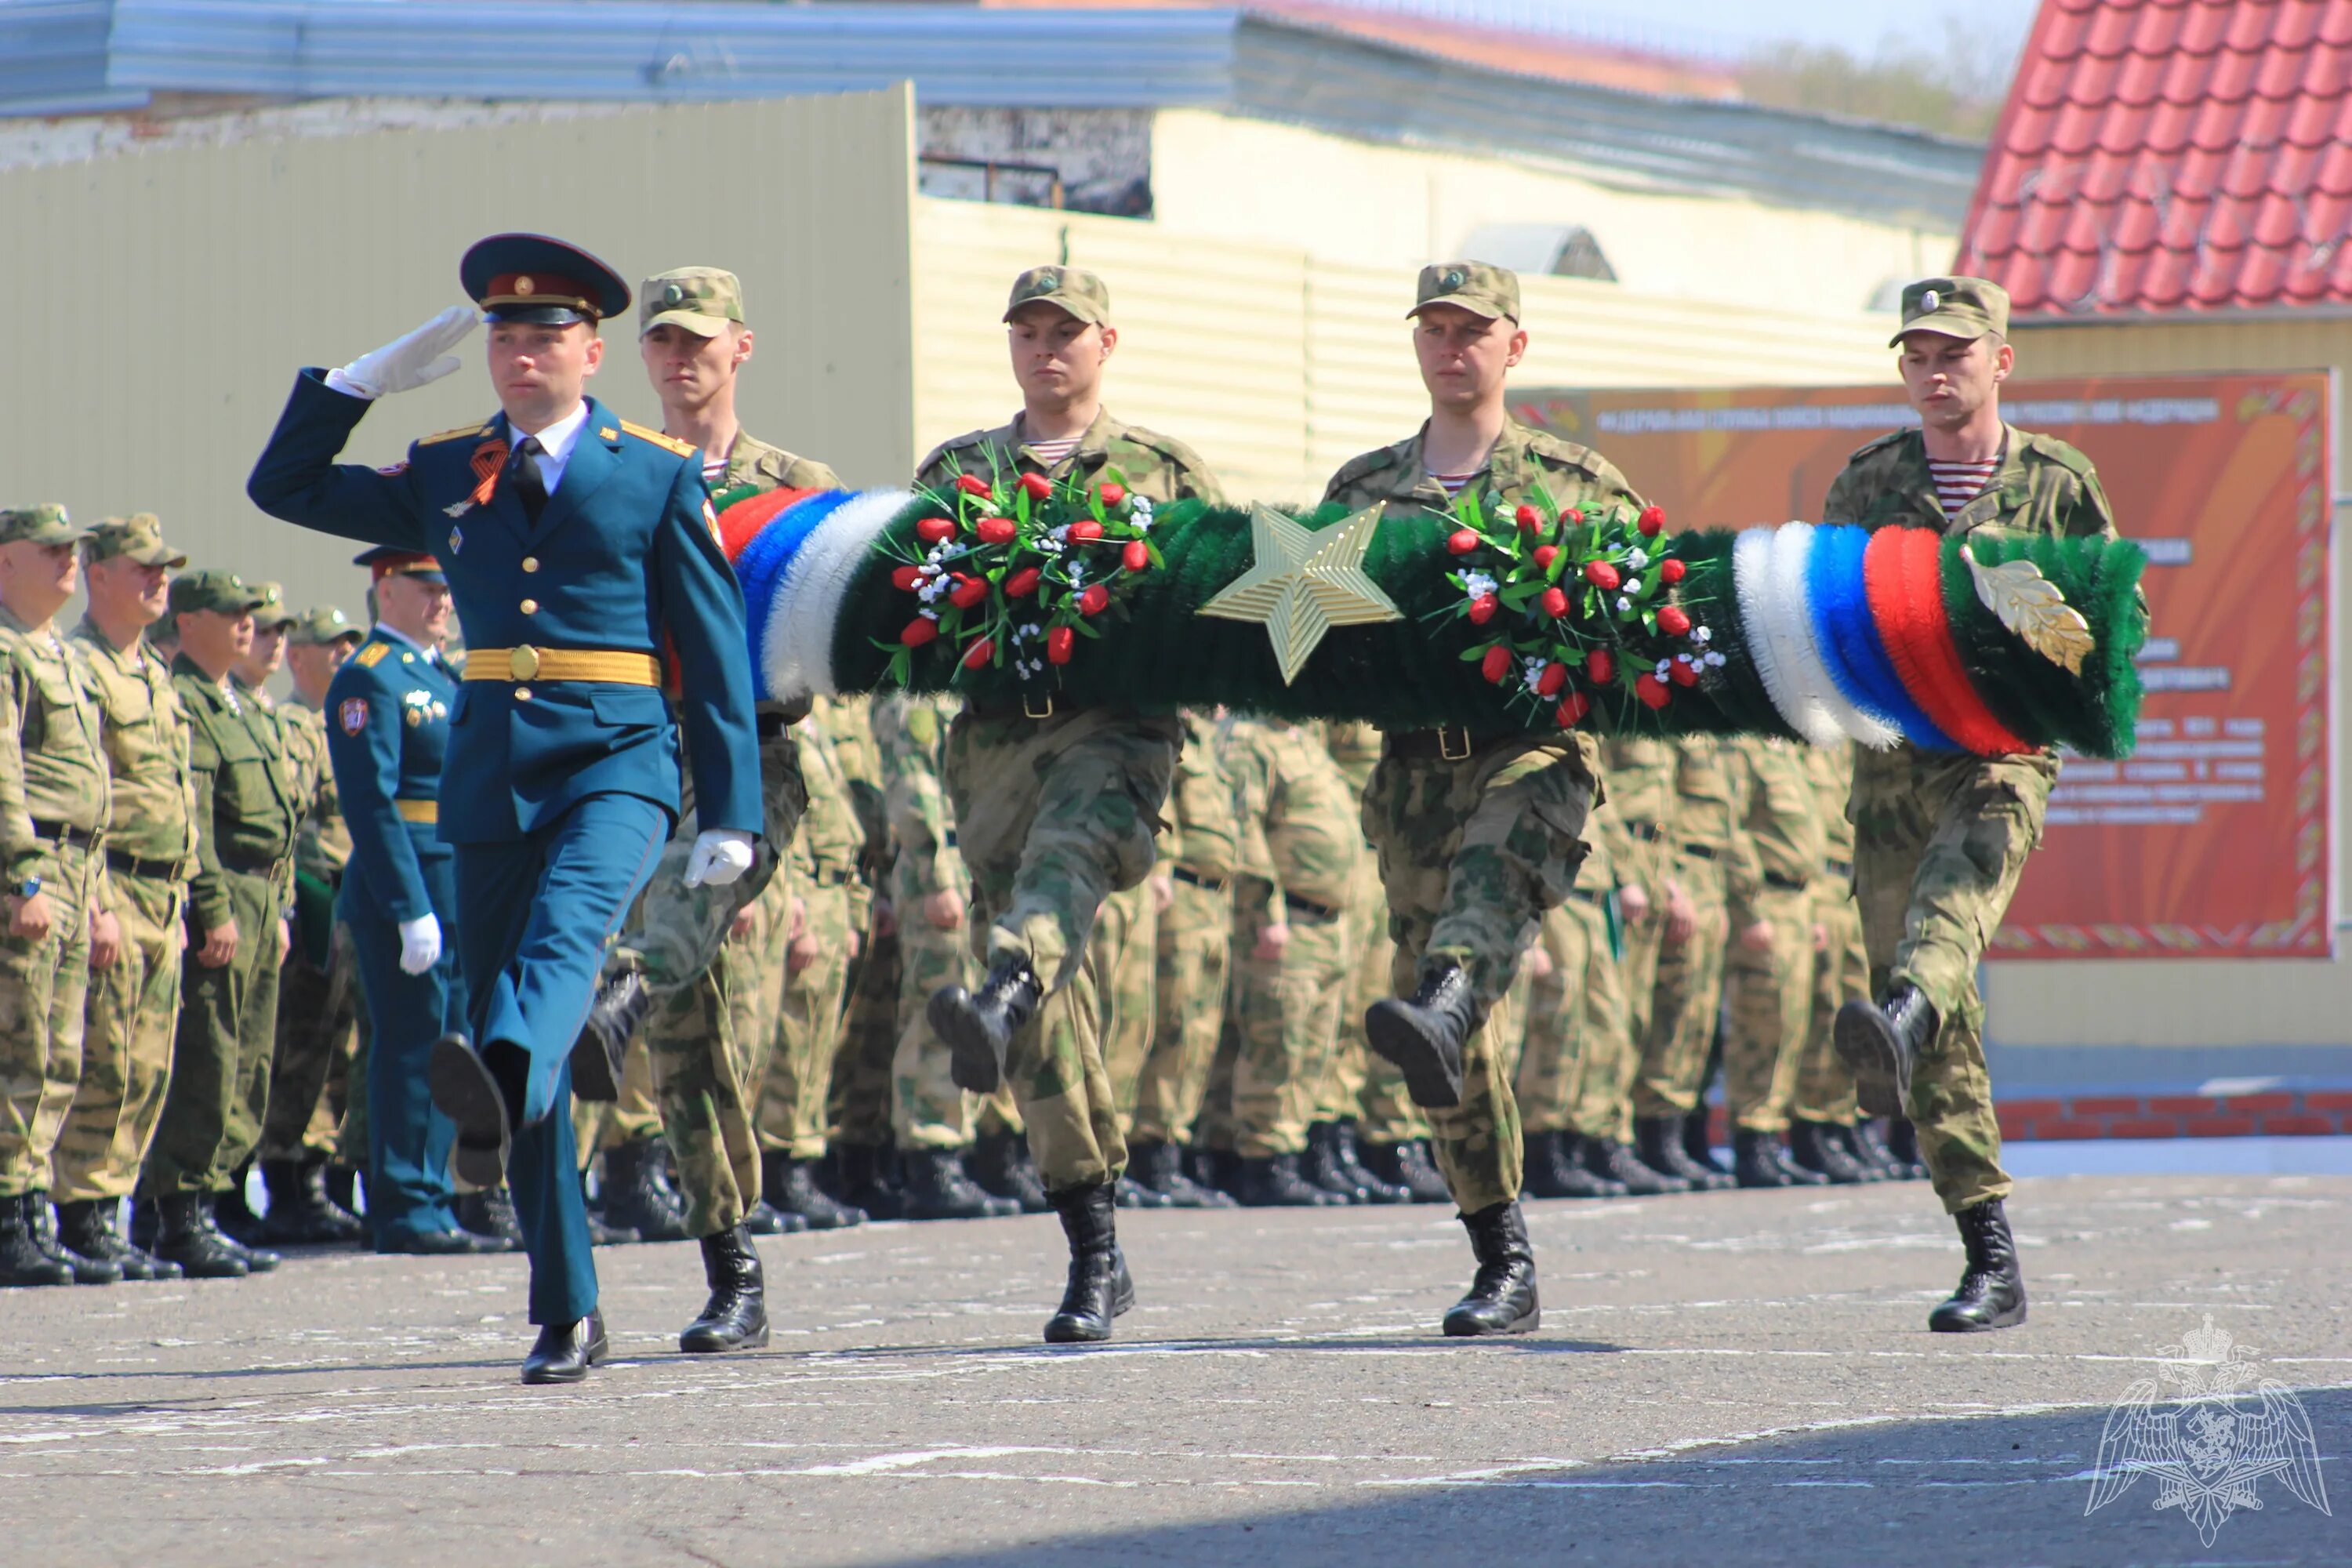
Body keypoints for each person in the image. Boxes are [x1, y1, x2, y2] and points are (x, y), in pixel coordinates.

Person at [245, 234, 764, 1383]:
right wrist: (354, 388)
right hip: (491, 768)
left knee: (567, 939)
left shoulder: (654, 470)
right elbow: (281, 489)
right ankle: (566, 1305)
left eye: (544, 335)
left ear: (591, 351)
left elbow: (717, 643)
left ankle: (502, 1064)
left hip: (619, 756)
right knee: (509, 1033)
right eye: (502, 334)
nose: (520, 352)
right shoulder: (444, 466)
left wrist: (733, 804)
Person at [1323, 262, 1639, 1335]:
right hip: (1413, 774)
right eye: (1436, 330)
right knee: (1446, 1033)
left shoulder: (1576, 483)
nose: (1453, 348)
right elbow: (1308, 640)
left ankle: (1453, 994)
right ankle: (1500, 1251)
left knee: (1473, 928)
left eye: (1475, 330)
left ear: (1517, 345)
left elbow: (1645, 626)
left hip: (1533, 753)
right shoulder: (1361, 493)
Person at [920, 264, 1225, 1342]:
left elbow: (1217, 605)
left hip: (1116, 735)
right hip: (997, 742)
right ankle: (1095, 1246)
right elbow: (918, 610)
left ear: (1107, 343)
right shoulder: (958, 470)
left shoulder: (1164, 470)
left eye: (1068, 333)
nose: (1047, 350)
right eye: (1029, 333)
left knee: (1040, 913)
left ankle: (1001, 988)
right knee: (1043, 1014)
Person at [1826, 277, 2118, 1334]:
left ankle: (1903, 1014)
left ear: (2002, 361)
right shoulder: (1869, 483)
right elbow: (1832, 621)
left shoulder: (2056, 483)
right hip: (1896, 767)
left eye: (1955, 350)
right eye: (1916, 353)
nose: (1934, 370)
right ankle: (1988, 1253)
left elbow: (2110, 624)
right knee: (1921, 1014)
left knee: (1940, 937)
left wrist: (2023, 621)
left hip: (2002, 753)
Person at [570, 264, 841, 1350]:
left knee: (667, 929)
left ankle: (620, 990)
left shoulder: (795, 482)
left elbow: (827, 636)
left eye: (699, 340)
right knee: (685, 1031)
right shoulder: (612, 474)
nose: (681, 359)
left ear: (742, 347)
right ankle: (733, 1271)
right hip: (643, 749)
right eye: (662, 342)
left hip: (753, 760)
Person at [325, 550, 508, 1255]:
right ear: (388, 590)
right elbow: (370, 803)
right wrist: (408, 906)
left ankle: (433, 1194)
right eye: (429, 589)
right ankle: (402, 1202)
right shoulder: (368, 677)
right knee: (409, 1046)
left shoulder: (442, 672)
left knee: (452, 1047)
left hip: (457, 881)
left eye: (447, 588)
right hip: (408, 888)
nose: (443, 601)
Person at [136, 568, 299, 1279]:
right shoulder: (191, 700)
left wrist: (281, 906)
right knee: (211, 1056)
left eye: (250, 613)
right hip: (226, 894)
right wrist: (214, 909)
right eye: (231, 612)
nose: (247, 624)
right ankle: (179, 1213)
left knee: (250, 1059)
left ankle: (211, 1202)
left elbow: (280, 823)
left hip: (262, 898)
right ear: (190, 620)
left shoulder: (237, 702)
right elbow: (196, 818)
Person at [53, 514, 198, 1281]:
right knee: (104, 1058)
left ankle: (114, 1208)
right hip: (115, 886)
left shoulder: (153, 674)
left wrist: (189, 895)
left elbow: (179, 791)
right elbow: (89, 796)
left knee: (148, 1063)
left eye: (163, 567)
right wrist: (100, 900)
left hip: (163, 892)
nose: (157, 579)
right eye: (141, 567)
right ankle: (81, 1210)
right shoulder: (82, 666)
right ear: (97, 572)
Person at [0, 504, 118, 1288]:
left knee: (64, 1053)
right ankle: (11, 1215)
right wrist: (24, 877)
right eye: (51, 550)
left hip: (80, 869)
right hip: (37, 870)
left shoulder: (61, 654)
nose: (68, 561)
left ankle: (35, 1208)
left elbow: (96, 788)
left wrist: (99, 894)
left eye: (72, 550)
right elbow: (5, 774)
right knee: (23, 1050)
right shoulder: (8, 651)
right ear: (7, 562)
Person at [252, 597, 370, 1247]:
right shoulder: (294, 723)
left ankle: (323, 1174)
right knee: (304, 1043)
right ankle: (290, 1179)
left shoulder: (345, 722)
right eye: (331, 646)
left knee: (341, 1047)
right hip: (317, 894)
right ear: (299, 657)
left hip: (355, 893)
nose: (343, 656)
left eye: (349, 645)